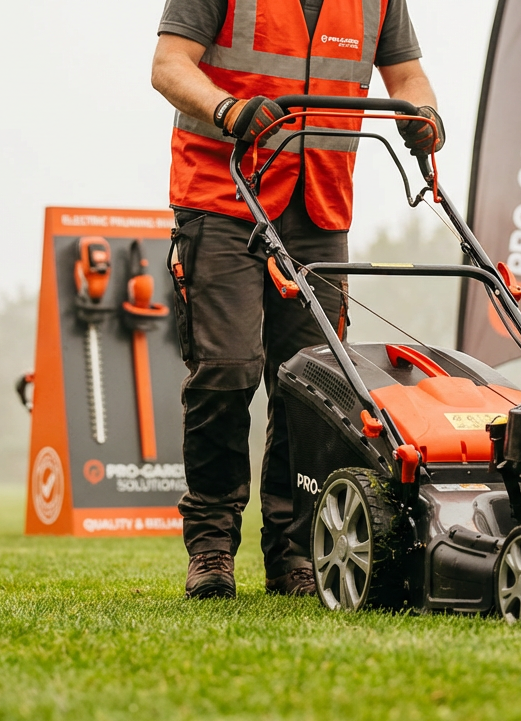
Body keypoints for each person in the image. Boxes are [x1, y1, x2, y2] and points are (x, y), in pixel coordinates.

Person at [152, 0, 445, 599]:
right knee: (227, 369)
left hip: (319, 205)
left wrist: (426, 115)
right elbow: (169, 65)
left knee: (310, 389)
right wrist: (227, 108)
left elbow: (407, 75)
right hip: (223, 194)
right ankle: (211, 547)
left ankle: (294, 552)